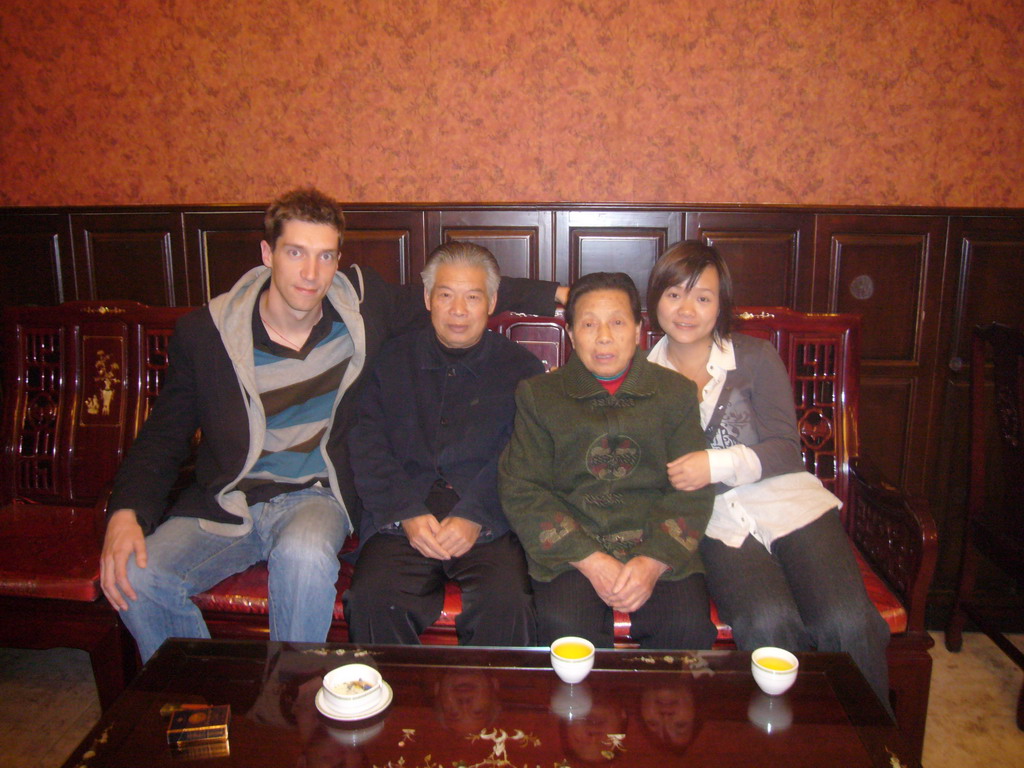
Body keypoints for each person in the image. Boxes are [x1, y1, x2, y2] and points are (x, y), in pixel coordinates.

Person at [99, 188, 563, 662]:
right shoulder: (207, 334)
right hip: (227, 503)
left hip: (314, 497)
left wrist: (566, 296)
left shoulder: (361, 306)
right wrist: (126, 512)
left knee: (304, 555)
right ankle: (207, 701)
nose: (309, 273)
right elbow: (164, 433)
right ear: (267, 253)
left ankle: (286, 695)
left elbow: (467, 286)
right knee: (137, 574)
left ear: (338, 260)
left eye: (324, 256)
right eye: (295, 252)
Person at [645, 240, 891, 710]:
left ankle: (869, 746)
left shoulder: (755, 357)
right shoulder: (642, 376)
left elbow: (785, 449)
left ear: (722, 305)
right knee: (766, 621)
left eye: (703, 297)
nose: (687, 310)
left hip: (787, 504)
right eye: (674, 294)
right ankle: (785, 744)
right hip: (714, 523)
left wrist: (712, 464)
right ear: (655, 299)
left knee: (846, 621)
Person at [499, 272, 717, 650]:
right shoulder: (539, 395)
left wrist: (652, 562)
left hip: (656, 545)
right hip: (572, 551)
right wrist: (590, 559)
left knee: (684, 627)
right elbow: (522, 488)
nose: (603, 337)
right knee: (565, 629)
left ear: (637, 330)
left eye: (617, 322)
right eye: (588, 324)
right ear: (569, 335)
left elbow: (692, 491)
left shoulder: (676, 393)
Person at [343, 242, 542, 645]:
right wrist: (406, 514)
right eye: (446, 295)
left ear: (492, 302)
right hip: (403, 511)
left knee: (508, 601)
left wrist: (475, 516)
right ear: (427, 298)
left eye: (472, 297)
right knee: (373, 599)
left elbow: (522, 454)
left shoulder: (523, 369)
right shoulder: (390, 359)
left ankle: (490, 705)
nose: (458, 310)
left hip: (489, 513)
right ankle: (394, 703)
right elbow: (367, 442)